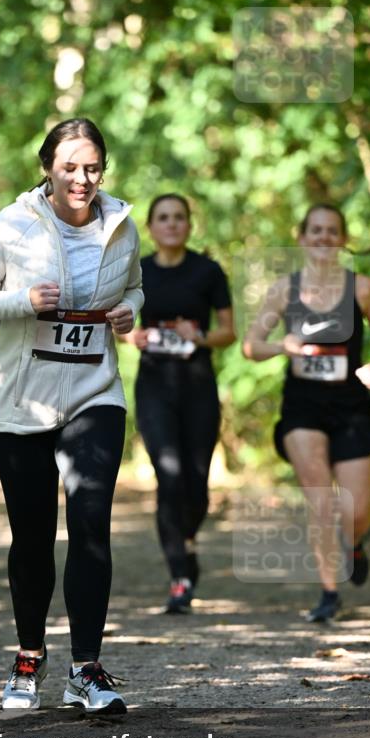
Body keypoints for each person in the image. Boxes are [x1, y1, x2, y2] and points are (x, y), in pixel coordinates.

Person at [0, 118, 143, 713]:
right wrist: (20, 301)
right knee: (32, 537)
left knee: (90, 521)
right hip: (21, 402)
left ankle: (87, 668)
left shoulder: (122, 225)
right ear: (47, 169)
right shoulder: (10, 226)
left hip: (95, 392)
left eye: (91, 168)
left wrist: (128, 311)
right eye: (69, 168)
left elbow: (134, 287)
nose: (81, 179)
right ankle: (29, 656)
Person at [243, 204, 370, 621]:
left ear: (343, 239)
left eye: (332, 231)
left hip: (351, 407)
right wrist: (282, 346)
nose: (324, 238)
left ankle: (356, 541)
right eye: (316, 230)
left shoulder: (361, 288)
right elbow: (251, 346)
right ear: (303, 237)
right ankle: (329, 593)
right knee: (320, 500)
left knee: (356, 511)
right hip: (302, 407)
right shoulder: (284, 290)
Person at [126, 194, 236, 613]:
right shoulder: (137, 271)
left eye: (179, 218)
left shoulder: (207, 271)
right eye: (163, 218)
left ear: (189, 225)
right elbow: (117, 321)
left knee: (197, 481)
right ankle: (179, 576)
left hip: (197, 386)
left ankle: (187, 541)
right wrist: (128, 336)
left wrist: (201, 337)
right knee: (168, 475)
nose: (171, 224)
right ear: (151, 227)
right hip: (154, 386)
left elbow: (229, 332)